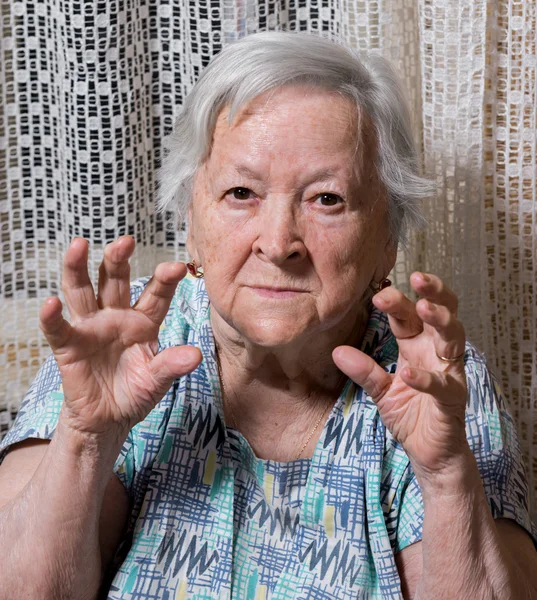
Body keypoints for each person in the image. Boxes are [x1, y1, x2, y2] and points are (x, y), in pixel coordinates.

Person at [0, 31, 536, 600]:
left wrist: (448, 478)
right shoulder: (125, 338)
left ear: (387, 240)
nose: (278, 243)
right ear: (192, 223)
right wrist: (85, 438)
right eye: (240, 192)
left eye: (326, 199)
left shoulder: (435, 378)